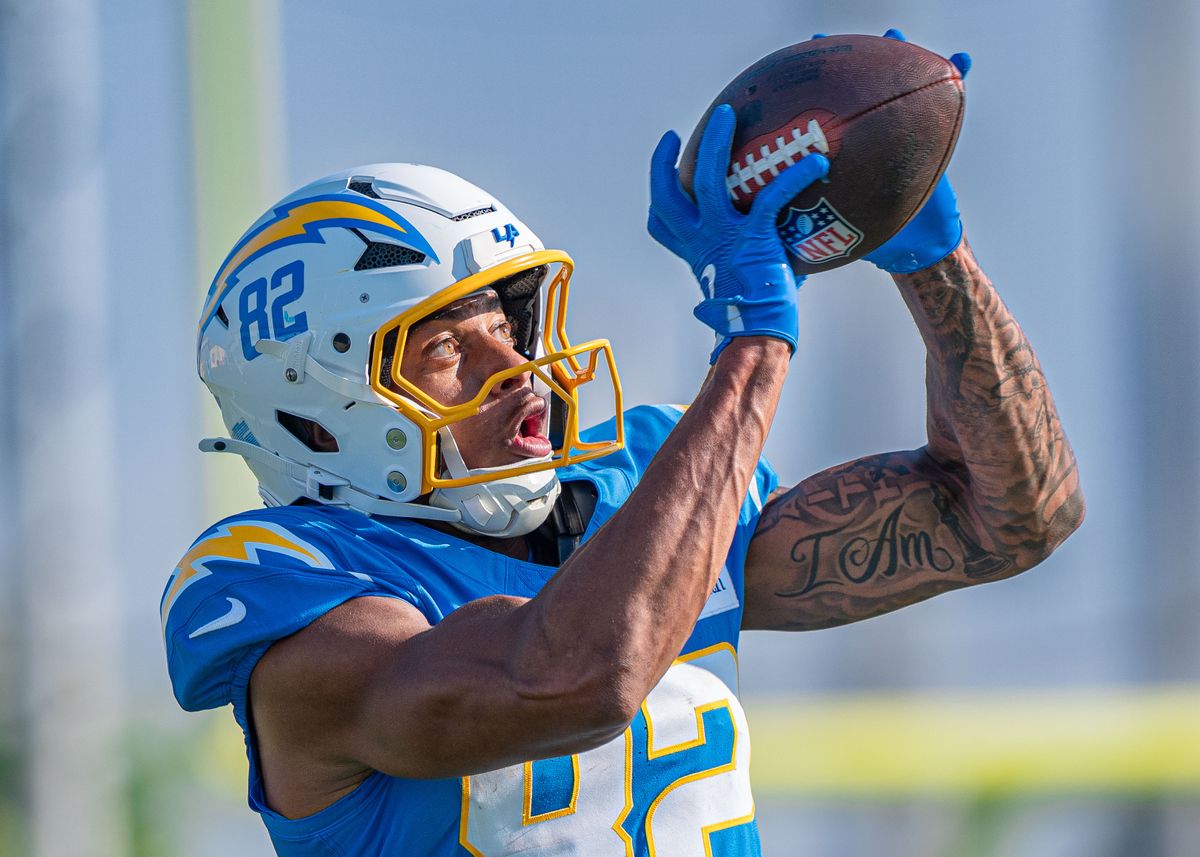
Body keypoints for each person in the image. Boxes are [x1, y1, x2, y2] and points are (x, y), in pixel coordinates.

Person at [162, 36, 1083, 856]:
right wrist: (755, 340)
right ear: (314, 418)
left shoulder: (637, 483)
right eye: (447, 348)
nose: (520, 368)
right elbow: (571, 678)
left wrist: (927, 253)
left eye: (512, 326)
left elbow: (1009, 515)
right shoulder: (295, 591)